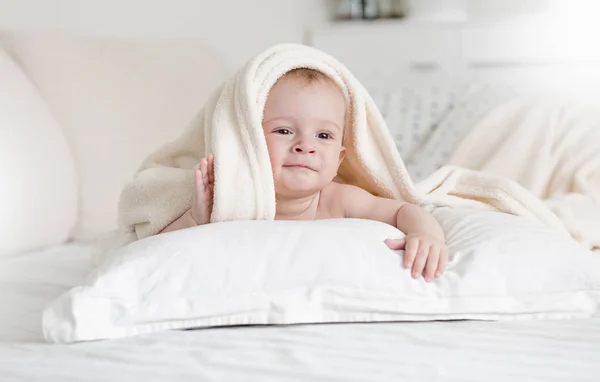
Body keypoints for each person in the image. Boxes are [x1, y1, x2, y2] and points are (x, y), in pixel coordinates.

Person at [160, 68, 448, 282]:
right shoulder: (227, 199)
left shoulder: (339, 200)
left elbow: (403, 210)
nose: (305, 146)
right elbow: (153, 252)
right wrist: (196, 219)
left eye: (323, 135)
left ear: (338, 160)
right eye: (284, 131)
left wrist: (425, 234)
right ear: (248, 141)